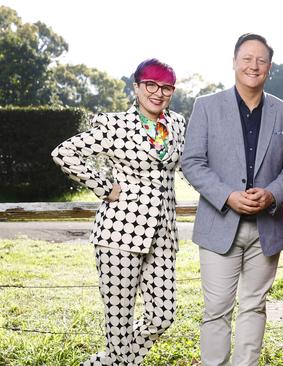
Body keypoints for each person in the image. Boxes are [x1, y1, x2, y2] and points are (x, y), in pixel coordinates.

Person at [51, 59, 185, 366]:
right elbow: (64, 152)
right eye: (150, 84)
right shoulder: (115, 125)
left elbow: (186, 167)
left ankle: (100, 363)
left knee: (162, 316)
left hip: (163, 237)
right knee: (119, 326)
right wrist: (103, 186)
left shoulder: (176, 123)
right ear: (136, 87)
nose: (158, 92)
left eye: (166, 87)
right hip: (118, 235)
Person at [181, 33, 283, 366]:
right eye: (247, 58)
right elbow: (191, 161)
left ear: (269, 67)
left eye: (261, 60)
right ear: (234, 62)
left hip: (266, 228)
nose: (254, 65)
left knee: (254, 306)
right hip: (219, 226)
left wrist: (272, 194)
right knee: (216, 309)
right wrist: (227, 196)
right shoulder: (206, 106)